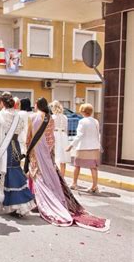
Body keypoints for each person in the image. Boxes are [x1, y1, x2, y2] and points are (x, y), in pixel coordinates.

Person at [26, 98, 109, 231]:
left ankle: (40, 202)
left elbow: (29, 137)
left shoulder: (33, 117)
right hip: (49, 149)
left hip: (36, 150)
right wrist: (49, 151)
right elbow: (50, 138)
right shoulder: (51, 118)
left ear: (36, 105)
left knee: (37, 176)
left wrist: (28, 149)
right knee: (49, 174)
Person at [0, 92, 35, 216]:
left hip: (0, 147)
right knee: (13, 172)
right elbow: (21, 132)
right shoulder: (20, 116)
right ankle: (17, 206)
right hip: (14, 147)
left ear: (1, 103)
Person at [66, 103, 102, 193]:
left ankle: (74, 183)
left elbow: (79, 135)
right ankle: (94, 186)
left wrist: (71, 145)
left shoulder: (82, 121)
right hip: (94, 147)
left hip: (83, 147)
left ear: (83, 111)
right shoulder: (96, 121)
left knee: (77, 165)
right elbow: (97, 135)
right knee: (93, 167)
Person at [50, 100, 71, 177]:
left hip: (55, 135)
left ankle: (55, 176)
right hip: (63, 136)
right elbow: (66, 129)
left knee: (54, 156)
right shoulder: (65, 117)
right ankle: (62, 176)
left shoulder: (52, 117)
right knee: (63, 157)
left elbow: (51, 128)